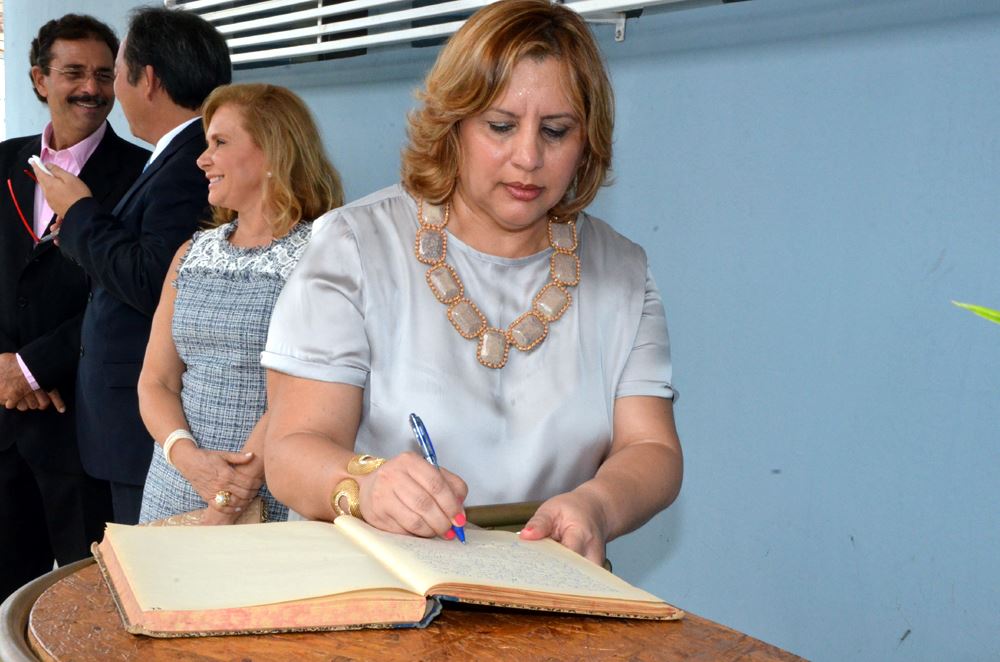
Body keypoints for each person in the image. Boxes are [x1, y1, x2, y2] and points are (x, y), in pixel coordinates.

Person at [261, 0, 682, 566]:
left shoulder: (622, 271)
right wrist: (366, 483)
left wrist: (597, 505)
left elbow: (651, 447)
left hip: (551, 594)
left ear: (587, 141)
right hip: (384, 589)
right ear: (452, 123)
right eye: (501, 126)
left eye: (556, 131)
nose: (528, 157)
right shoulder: (356, 246)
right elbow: (290, 451)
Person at [32, 8, 232, 525]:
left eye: (114, 73)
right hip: (115, 420)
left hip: (145, 424)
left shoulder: (191, 163)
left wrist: (78, 214)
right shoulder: (175, 156)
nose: (108, 91)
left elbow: (152, 281)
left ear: (149, 80)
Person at [136, 84, 344, 524]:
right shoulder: (191, 251)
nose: (202, 158)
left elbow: (298, 395)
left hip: (268, 494)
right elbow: (156, 380)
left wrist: (230, 497)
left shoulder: (323, 253)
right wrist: (186, 457)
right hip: (175, 484)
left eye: (220, 143)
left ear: (272, 152)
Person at [0, 14, 149, 601]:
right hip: (6, 419)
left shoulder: (140, 175)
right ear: (40, 79)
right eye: (73, 73)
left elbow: (126, 298)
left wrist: (34, 367)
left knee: (95, 594)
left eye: (104, 74)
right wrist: (5, 369)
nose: (91, 88)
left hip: (83, 422)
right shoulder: (3, 162)